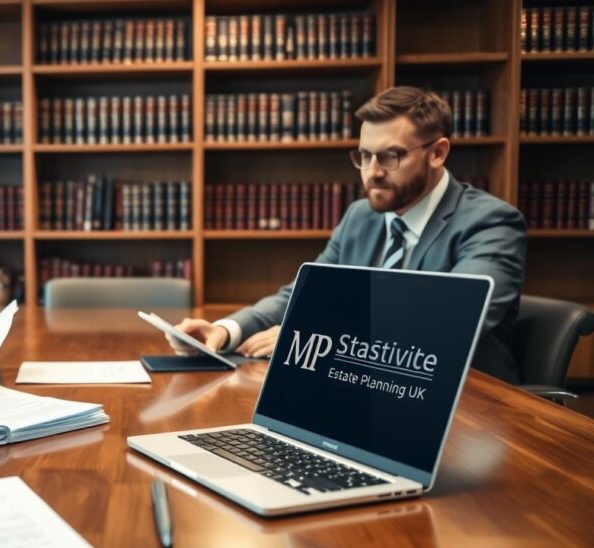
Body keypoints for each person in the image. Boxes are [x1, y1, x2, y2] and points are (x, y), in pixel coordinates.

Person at [169, 87, 526, 384]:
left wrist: (317, 331)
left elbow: (450, 320)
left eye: (390, 157)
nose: (372, 172)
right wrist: (227, 330)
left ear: (438, 153)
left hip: (467, 406)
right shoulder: (361, 216)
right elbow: (304, 294)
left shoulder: (490, 222)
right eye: (364, 156)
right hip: (365, 389)